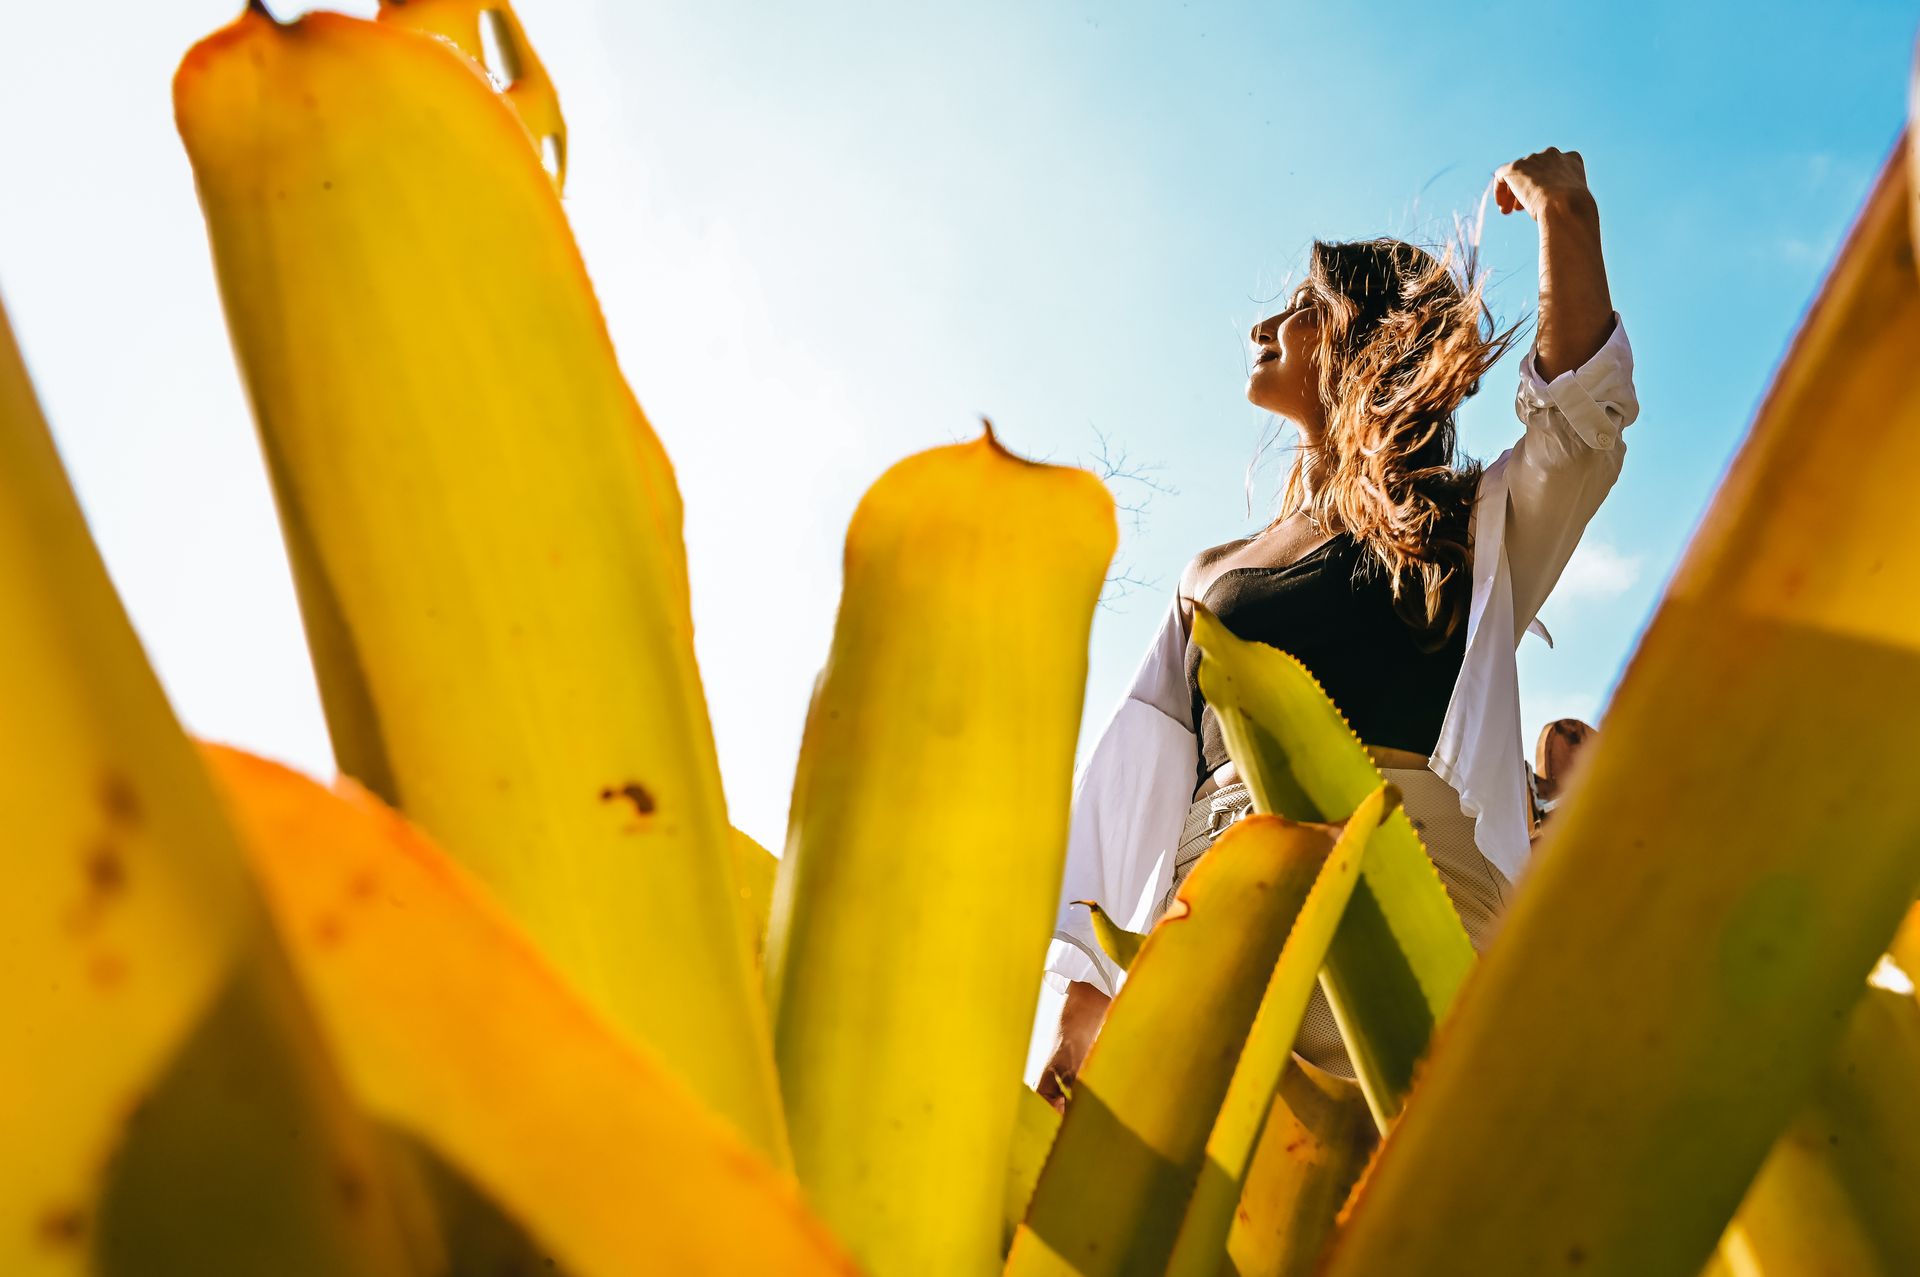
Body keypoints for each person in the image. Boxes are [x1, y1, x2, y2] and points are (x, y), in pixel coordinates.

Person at [1037, 148, 1639, 1109]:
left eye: (1303, 305)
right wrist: (1087, 1004)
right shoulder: (1210, 572)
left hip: (1410, 903)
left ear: (1365, 337)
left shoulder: (1467, 524)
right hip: (1213, 911)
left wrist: (1567, 221)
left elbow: (1579, 429)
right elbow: (1135, 784)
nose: (1264, 326)